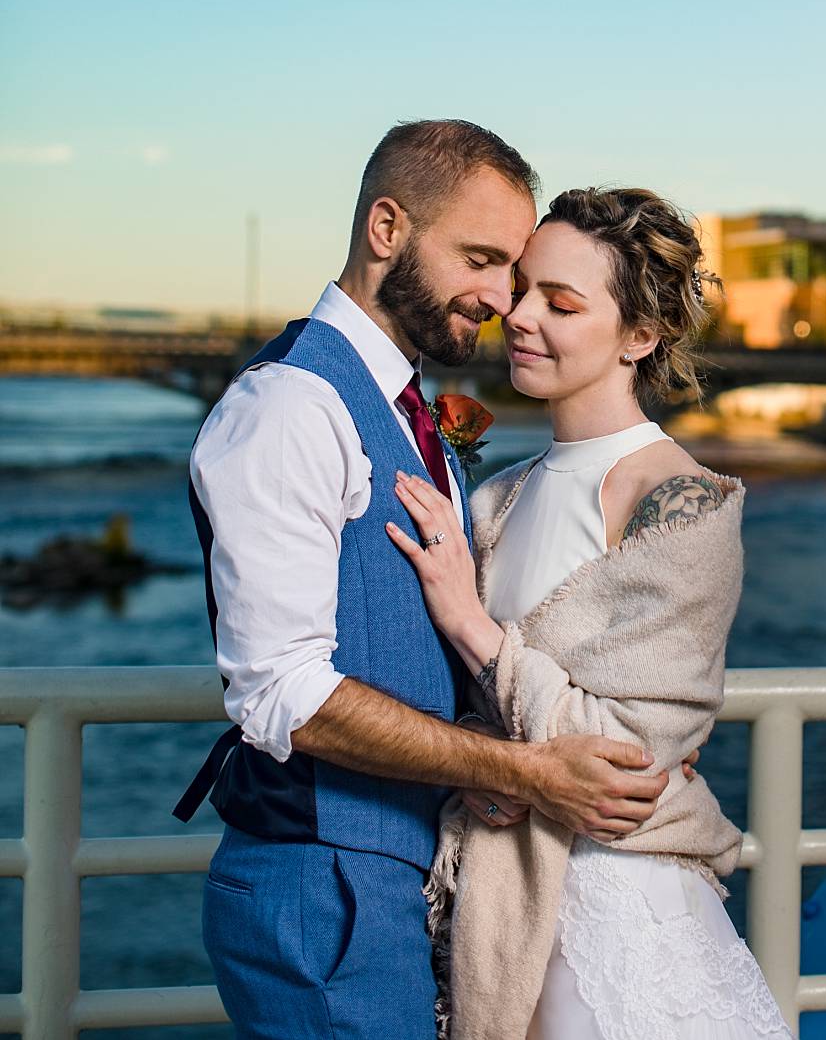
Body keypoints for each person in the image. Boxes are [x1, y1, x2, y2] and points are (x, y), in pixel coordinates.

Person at [175, 123, 670, 1040]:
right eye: (480, 259)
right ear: (388, 227)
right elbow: (286, 693)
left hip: (393, 888)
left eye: (511, 273)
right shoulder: (290, 407)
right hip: (321, 901)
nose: (498, 299)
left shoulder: (410, 416)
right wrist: (523, 768)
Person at [390, 185, 792, 1040]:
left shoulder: (679, 499)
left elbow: (633, 759)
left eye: (561, 303)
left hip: (616, 914)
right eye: (523, 289)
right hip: (503, 916)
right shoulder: (496, 496)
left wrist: (469, 622)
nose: (520, 317)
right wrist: (485, 762)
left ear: (640, 336)